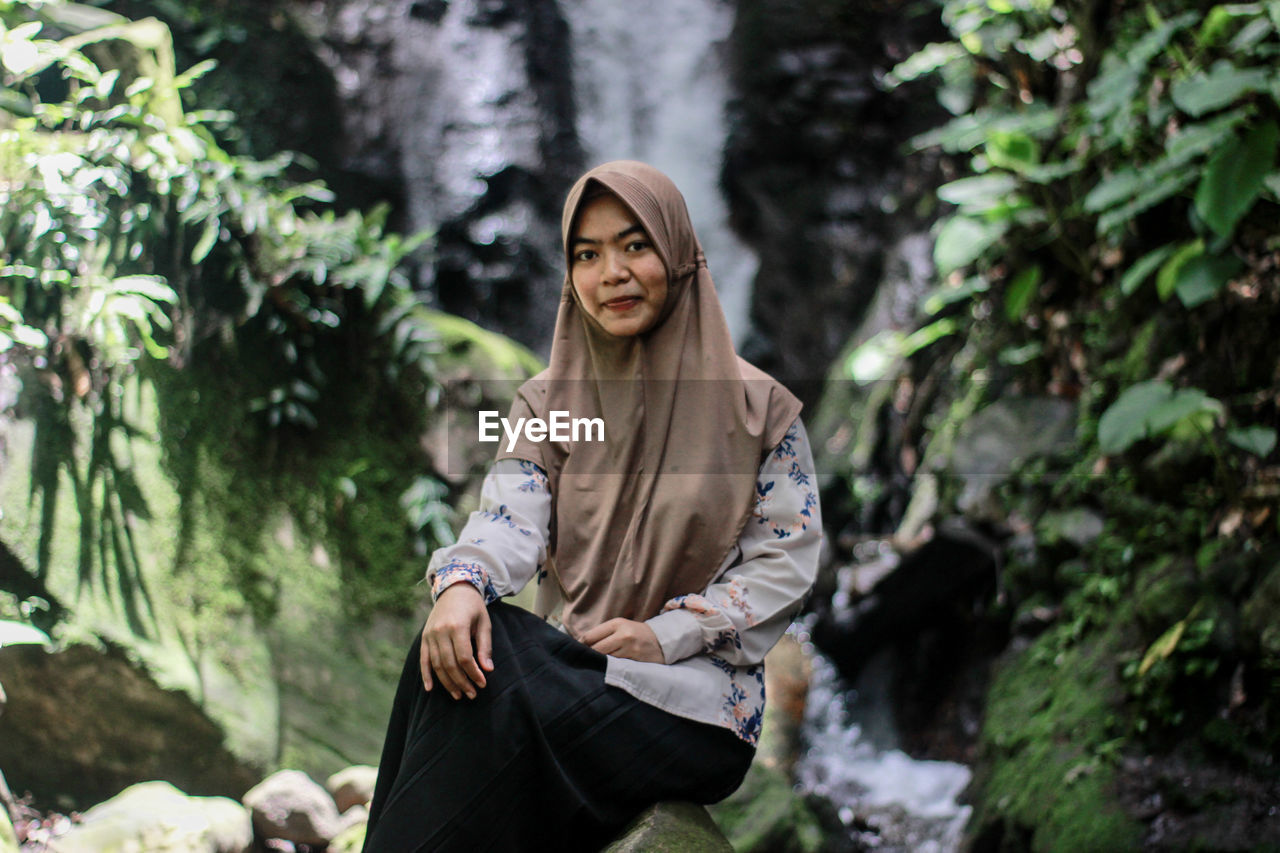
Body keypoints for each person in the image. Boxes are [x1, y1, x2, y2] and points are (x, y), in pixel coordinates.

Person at [362, 160, 822, 852]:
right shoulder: (546, 405)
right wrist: (459, 583)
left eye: (635, 244)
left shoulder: (761, 411)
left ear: (678, 252)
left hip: (695, 712)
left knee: (500, 658)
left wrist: (666, 635)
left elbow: (784, 563)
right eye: (587, 253)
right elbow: (509, 517)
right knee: (452, 648)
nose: (612, 272)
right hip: (575, 675)